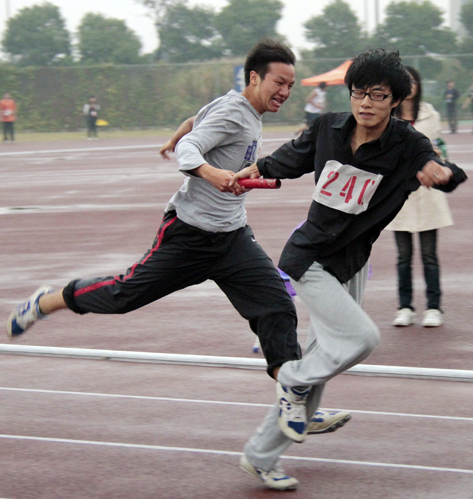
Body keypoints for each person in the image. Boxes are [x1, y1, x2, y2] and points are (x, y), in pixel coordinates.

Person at [7, 40, 349, 461]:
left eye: (291, 86)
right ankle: (48, 300)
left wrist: (177, 134)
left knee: (276, 307)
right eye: (279, 82)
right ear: (254, 78)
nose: (285, 92)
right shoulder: (234, 112)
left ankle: (294, 399)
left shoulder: (240, 108)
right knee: (124, 295)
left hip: (232, 238)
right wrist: (210, 171)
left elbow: (196, 123)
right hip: (188, 236)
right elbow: (193, 148)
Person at [231, 49, 467, 490]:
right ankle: (292, 381)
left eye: (378, 95)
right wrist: (252, 170)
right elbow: (289, 158)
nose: (366, 103)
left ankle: (261, 455)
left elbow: (447, 170)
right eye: (359, 93)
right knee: (361, 339)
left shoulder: (407, 145)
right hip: (309, 258)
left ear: (395, 99)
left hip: (351, 264)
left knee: (322, 363)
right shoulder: (328, 127)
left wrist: (442, 173)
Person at [386, 67, 455, 328]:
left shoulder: (430, 114)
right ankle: (405, 307)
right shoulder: (387, 114)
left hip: (427, 192)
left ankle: (434, 308)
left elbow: (437, 149)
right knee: (403, 256)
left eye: (413, 80)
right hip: (399, 195)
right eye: (404, 81)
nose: (409, 85)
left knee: (429, 255)